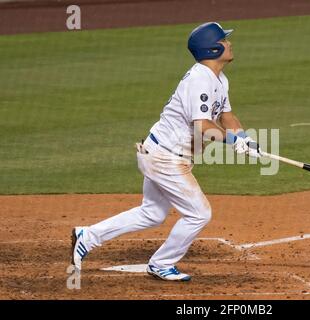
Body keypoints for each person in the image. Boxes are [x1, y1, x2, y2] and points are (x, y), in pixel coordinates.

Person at [71, 22, 261, 281]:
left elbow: (226, 115)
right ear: (214, 48)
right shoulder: (199, 80)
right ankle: (161, 263)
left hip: (161, 152)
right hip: (166, 158)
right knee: (199, 214)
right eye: (225, 40)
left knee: (152, 213)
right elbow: (203, 127)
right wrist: (232, 143)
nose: (230, 43)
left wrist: (244, 139)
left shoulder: (219, 78)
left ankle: (88, 236)